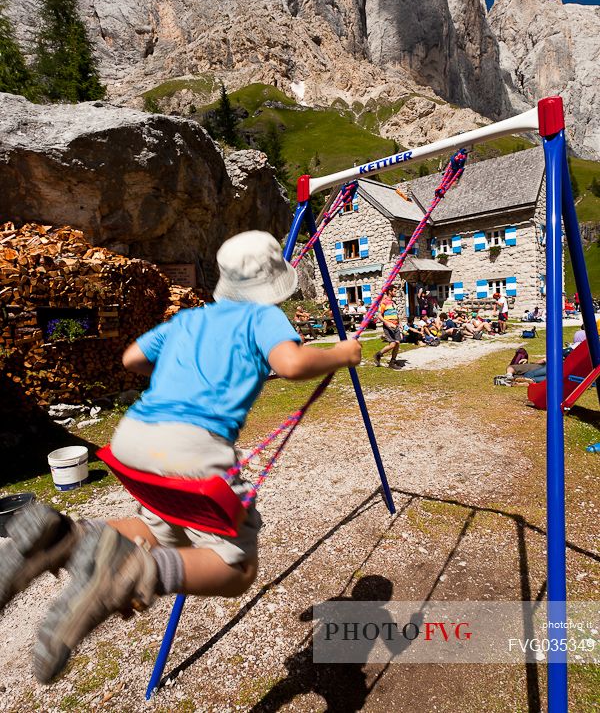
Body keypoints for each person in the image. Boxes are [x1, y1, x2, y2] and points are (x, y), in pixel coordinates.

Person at [0, 231, 361, 684]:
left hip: (133, 438)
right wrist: (341, 353)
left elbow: (133, 357)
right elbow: (290, 364)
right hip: (192, 446)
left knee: (159, 528)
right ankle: (133, 571)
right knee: (236, 568)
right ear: (272, 288)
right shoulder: (262, 317)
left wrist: (173, 373)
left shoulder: (189, 321)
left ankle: (64, 534)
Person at [374, 286, 403, 367]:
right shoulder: (384, 302)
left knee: (397, 344)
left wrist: (399, 323)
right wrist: (387, 323)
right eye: (394, 291)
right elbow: (379, 316)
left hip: (396, 325)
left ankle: (392, 362)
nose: (396, 293)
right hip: (388, 326)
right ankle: (378, 354)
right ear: (390, 292)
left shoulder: (394, 302)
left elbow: (396, 314)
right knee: (392, 344)